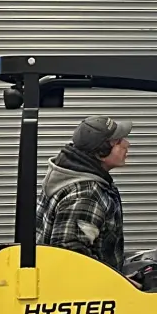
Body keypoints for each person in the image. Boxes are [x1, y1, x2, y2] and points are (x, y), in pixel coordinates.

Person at [37, 114, 131, 267]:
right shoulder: (86, 194)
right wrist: (121, 283)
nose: (126, 144)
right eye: (119, 142)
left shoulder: (73, 176)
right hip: (89, 290)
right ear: (101, 153)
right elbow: (72, 258)